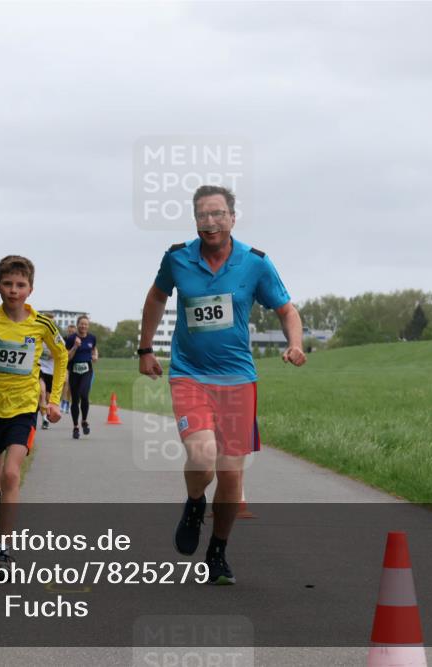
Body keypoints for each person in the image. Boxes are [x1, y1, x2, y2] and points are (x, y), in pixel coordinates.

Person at [137, 185, 306, 585]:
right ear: (195, 220)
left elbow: (287, 309)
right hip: (189, 375)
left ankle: (217, 550)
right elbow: (156, 298)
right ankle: (195, 503)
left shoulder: (255, 263)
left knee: (231, 475)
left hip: (238, 381)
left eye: (217, 214)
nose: (209, 222)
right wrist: (145, 348)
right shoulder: (177, 258)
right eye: (202, 215)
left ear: (232, 217)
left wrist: (295, 344)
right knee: (203, 455)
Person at [0, 255, 68, 567]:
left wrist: (54, 400)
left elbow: (61, 357)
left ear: (30, 289)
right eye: (8, 284)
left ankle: (3, 548)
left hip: (23, 409)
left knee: (11, 474)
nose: (14, 290)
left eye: (20, 284)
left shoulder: (42, 325)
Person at [65, 315, 98, 440]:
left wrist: (95, 356)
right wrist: (75, 346)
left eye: (86, 324)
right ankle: (75, 427)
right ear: (78, 324)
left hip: (87, 370)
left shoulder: (92, 338)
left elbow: (94, 349)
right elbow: (67, 357)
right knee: (75, 399)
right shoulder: (71, 338)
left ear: (88, 326)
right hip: (74, 370)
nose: (84, 326)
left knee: (84, 395)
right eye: (81, 324)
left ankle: (84, 420)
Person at [38, 312, 57, 430]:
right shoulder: (38, 335)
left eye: (51, 322)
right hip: (39, 368)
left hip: (51, 371)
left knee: (48, 398)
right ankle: (44, 419)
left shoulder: (56, 337)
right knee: (42, 393)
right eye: (47, 321)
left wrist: (54, 354)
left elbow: (63, 355)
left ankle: (46, 415)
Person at [60, 324, 76, 413]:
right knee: (65, 382)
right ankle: (63, 402)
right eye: (69, 332)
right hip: (64, 364)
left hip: (73, 364)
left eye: (73, 332)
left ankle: (67, 403)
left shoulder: (77, 340)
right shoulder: (63, 339)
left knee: (70, 385)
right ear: (67, 331)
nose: (71, 333)